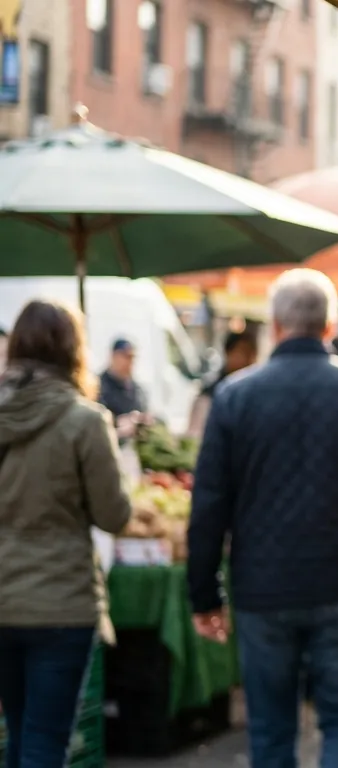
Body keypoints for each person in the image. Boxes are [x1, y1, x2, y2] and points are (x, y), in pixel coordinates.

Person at [186, 269, 338, 768]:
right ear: (330, 325)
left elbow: (208, 504)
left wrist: (204, 593)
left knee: (271, 729)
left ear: (274, 326)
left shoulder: (233, 397)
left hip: (263, 587)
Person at [0, 300, 131, 768]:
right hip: (62, 603)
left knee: (17, 735)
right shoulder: (85, 421)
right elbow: (114, 516)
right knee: (45, 741)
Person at [186, 328, 260, 440]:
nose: (248, 360)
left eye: (252, 354)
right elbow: (195, 434)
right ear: (228, 352)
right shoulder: (210, 394)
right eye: (243, 352)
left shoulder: (256, 395)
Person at [98, 338, 148, 432]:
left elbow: (144, 410)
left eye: (132, 357)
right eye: (125, 356)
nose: (129, 362)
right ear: (113, 356)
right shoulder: (98, 386)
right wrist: (117, 422)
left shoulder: (137, 389)